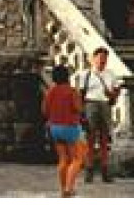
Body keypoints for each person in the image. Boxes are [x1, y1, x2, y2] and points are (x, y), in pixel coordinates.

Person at [43, 64, 86, 197]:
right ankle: (69, 188)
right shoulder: (72, 91)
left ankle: (63, 188)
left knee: (63, 159)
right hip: (70, 126)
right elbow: (78, 108)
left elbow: (44, 110)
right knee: (77, 159)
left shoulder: (50, 91)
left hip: (55, 127)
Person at [77, 46, 120, 183]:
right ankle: (89, 169)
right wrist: (81, 111)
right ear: (94, 59)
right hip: (90, 104)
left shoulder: (111, 74)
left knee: (104, 139)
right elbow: (81, 94)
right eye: (100, 58)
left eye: (105, 58)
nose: (102, 61)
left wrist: (113, 94)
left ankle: (104, 169)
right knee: (90, 138)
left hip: (105, 104)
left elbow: (117, 88)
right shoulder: (86, 74)